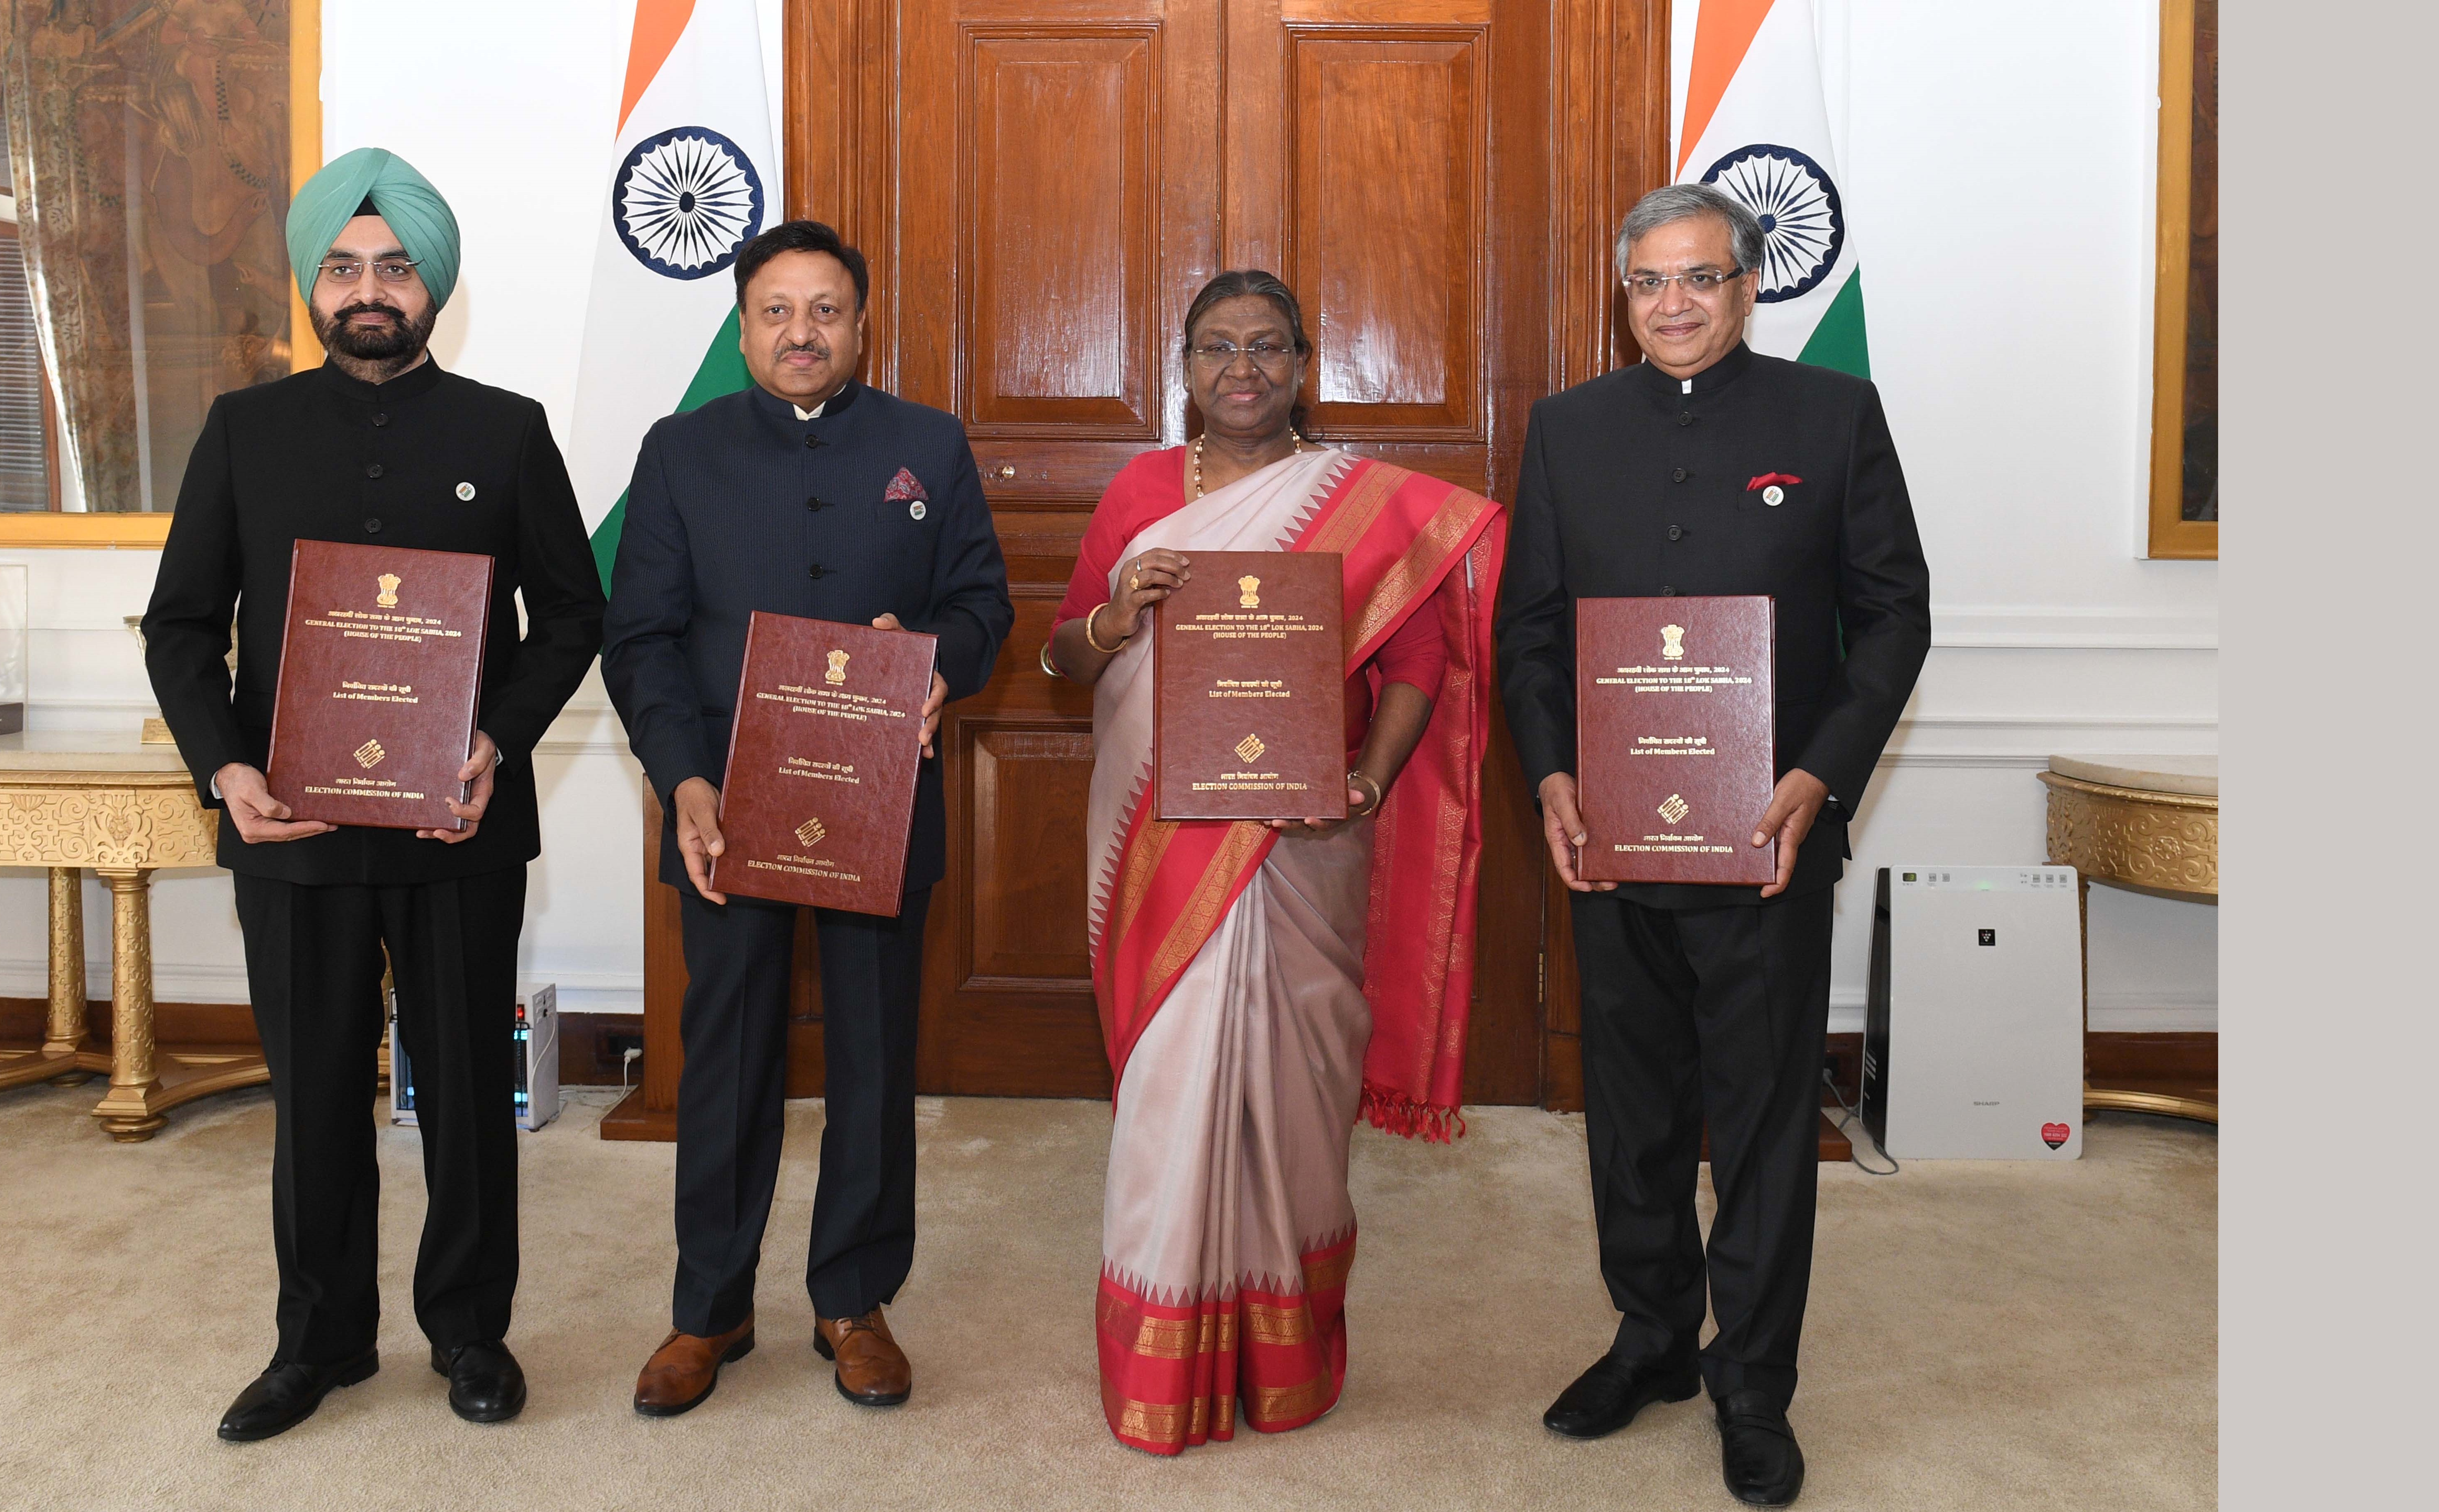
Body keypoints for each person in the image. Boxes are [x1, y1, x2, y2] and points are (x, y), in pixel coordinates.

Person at [139, 147, 606, 1443]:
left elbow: (573, 613)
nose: (367, 289)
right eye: (342, 267)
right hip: (292, 832)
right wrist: (225, 768)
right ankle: (320, 1341)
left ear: (432, 286)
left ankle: (469, 1333)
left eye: (394, 266)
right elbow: (181, 627)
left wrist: (500, 739)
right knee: (318, 1093)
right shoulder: (245, 431)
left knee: (467, 1092)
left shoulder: (507, 432)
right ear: (310, 283)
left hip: (457, 827)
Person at [1493, 184, 1932, 1507]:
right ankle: (1650, 1339)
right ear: (1620, 296)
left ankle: (1754, 1382)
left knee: (1759, 1120)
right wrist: (1555, 776)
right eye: (1646, 283)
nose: (1672, 304)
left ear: (1750, 288)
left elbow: (1896, 615)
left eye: (1698, 279)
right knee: (1629, 1111)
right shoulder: (1569, 429)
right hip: (1613, 841)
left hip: (1768, 843)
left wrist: (1820, 776)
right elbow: (1528, 633)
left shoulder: (1831, 416)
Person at [1041, 270, 1508, 1455]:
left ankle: (1286, 1358)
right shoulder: (1143, 492)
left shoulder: (1362, 503)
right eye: (1215, 348)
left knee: (1297, 1093)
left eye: (1265, 347)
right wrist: (1112, 617)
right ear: (1183, 367)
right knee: (1169, 1092)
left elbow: (1415, 667)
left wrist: (1366, 782)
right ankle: (1165, 1366)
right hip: (1160, 845)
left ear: (1305, 364)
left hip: (1306, 845)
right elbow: (1058, 660)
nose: (1240, 368)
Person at [598, 220, 1011, 1417]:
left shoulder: (927, 446)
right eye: (776, 311)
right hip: (727, 808)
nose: (801, 332)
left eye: (825, 310)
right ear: (742, 327)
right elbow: (644, 641)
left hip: (880, 804)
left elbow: (984, 603)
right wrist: (683, 780)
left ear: (862, 324)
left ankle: (855, 1301)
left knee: (877, 1055)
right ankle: (710, 1309)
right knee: (727, 1057)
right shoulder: (680, 453)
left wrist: (939, 662)